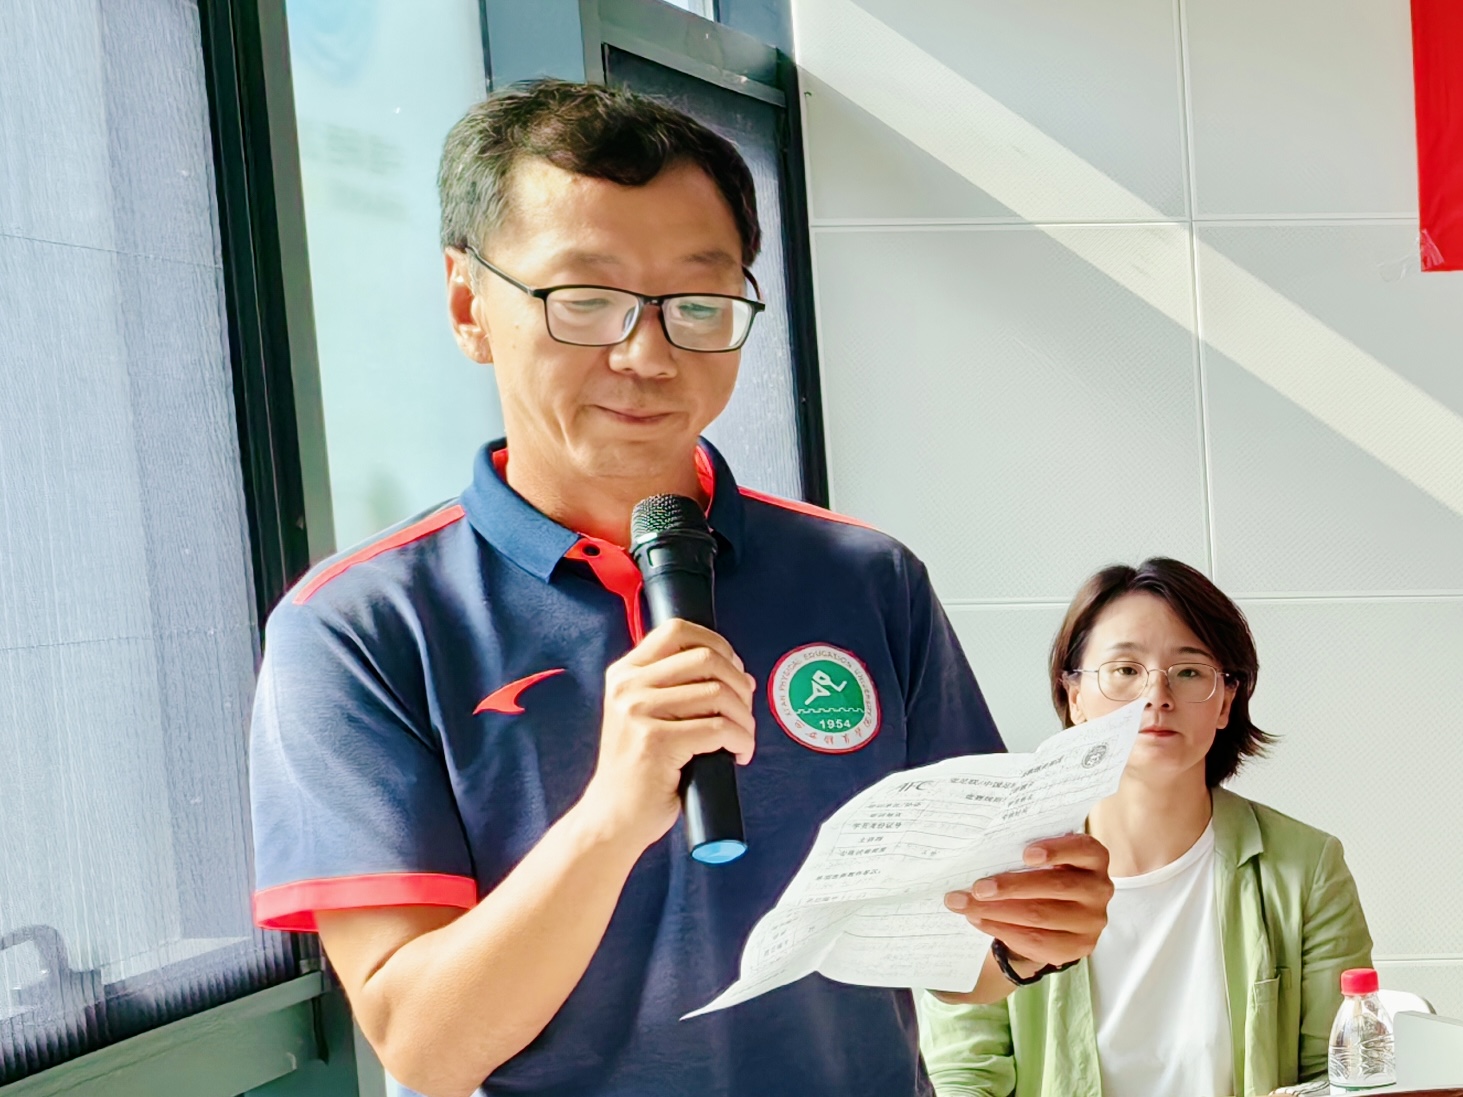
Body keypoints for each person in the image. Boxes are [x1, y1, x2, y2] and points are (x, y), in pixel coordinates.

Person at [247, 79, 1115, 1097]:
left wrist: (1027, 932)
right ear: (468, 304)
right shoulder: (358, 627)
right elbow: (426, 1048)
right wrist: (611, 815)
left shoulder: (865, 577)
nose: (646, 354)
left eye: (697, 305)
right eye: (583, 300)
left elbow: (959, 952)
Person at [918, 557, 1374, 1097]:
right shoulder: (999, 869)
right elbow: (962, 1076)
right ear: (1074, 698)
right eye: (1126, 670)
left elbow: (1338, 1078)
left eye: (1189, 671)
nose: (1158, 695)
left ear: (1226, 702)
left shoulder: (1307, 867)